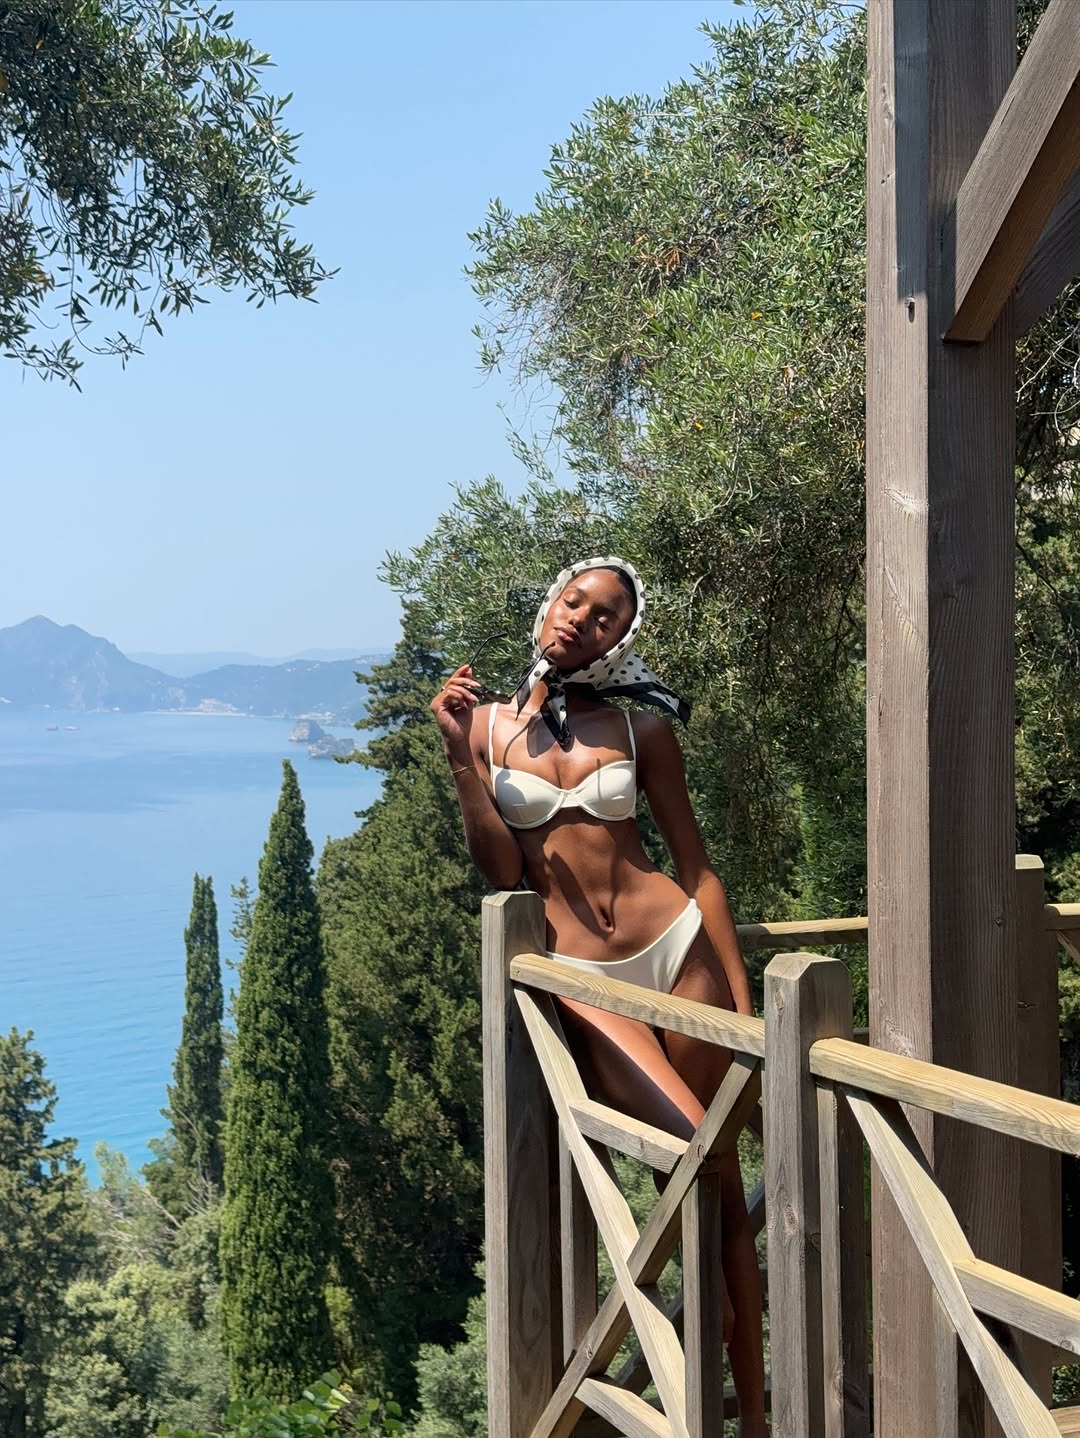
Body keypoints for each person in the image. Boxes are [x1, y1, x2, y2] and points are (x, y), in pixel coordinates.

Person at [430, 556, 766, 1437]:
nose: (584, 618)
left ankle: (758, 1419)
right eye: (575, 601)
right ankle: (703, 1375)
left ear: (619, 641)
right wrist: (458, 756)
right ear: (550, 605)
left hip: (678, 949)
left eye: (607, 616)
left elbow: (696, 869)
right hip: (583, 980)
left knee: (725, 1184)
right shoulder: (485, 728)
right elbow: (503, 872)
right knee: (692, 1154)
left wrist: (744, 1007)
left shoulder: (640, 728)